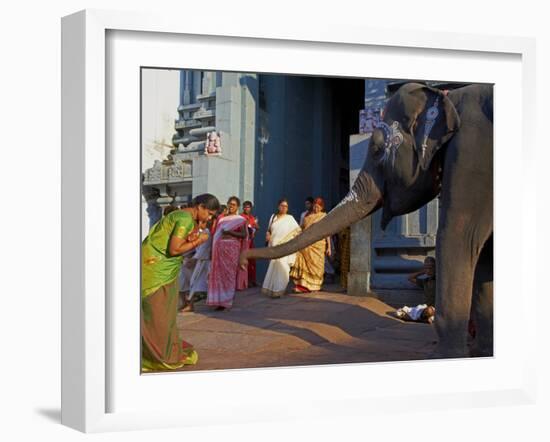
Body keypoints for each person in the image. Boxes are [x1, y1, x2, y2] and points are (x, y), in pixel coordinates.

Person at [141, 193, 220, 372]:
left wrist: (193, 236)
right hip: (158, 270)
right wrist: (199, 240)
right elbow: (175, 249)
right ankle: (158, 356)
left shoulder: (180, 215)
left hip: (154, 266)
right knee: (159, 316)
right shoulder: (185, 219)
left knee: (156, 314)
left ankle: (152, 350)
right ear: (199, 206)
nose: (209, 218)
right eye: (209, 213)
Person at [207, 196, 249, 310]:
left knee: (229, 275)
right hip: (220, 248)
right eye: (230, 204)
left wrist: (231, 232)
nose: (231, 206)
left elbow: (244, 235)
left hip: (232, 249)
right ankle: (219, 301)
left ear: (237, 207)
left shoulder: (240, 219)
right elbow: (216, 235)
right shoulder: (222, 219)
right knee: (220, 275)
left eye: (234, 204)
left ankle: (227, 300)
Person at [261, 199, 301, 298]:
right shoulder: (273, 217)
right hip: (274, 246)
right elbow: (269, 230)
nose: (284, 208)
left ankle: (280, 290)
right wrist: (268, 236)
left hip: (285, 248)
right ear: (278, 206)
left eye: (286, 206)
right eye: (282, 206)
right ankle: (272, 289)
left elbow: (297, 231)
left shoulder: (290, 218)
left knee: (283, 268)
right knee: (273, 268)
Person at [290, 197, 331, 292]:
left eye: (318, 207)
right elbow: (301, 229)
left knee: (317, 266)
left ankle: (314, 285)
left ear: (321, 207)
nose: (316, 209)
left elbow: (328, 232)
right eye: (315, 207)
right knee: (301, 260)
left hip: (318, 245)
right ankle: (302, 285)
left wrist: (329, 247)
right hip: (306, 244)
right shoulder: (308, 216)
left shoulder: (324, 216)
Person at [241, 201, 259, 287]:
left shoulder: (252, 217)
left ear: (251, 208)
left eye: (248, 207)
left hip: (251, 241)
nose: (246, 208)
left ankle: (253, 280)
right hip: (244, 242)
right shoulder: (240, 217)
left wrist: (255, 226)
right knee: (245, 261)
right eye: (245, 207)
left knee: (252, 261)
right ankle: (245, 281)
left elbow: (257, 227)